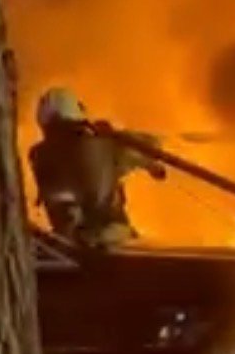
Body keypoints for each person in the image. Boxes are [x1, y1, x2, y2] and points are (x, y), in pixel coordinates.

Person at [30, 89, 166, 249]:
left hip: (67, 243)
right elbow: (153, 146)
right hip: (109, 239)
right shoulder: (103, 146)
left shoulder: (39, 156)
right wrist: (115, 134)